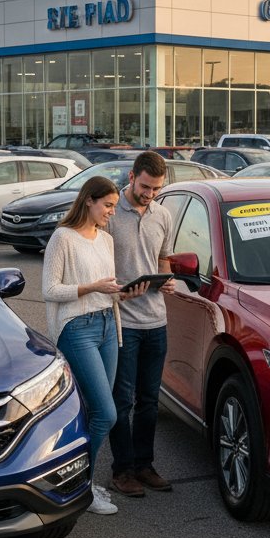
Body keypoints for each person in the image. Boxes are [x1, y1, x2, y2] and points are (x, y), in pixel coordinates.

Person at [42, 175, 139, 516]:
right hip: (77, 328)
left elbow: (106, 287)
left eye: (114, 206)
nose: (112, 212)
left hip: (108, 325)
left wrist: (122, 292)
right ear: (89, 201)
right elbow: (50, 290)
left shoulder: (106, 241)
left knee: (97, 412)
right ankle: (80, 484)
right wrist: (92, 287)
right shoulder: (62, 238)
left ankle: (81, 481)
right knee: (106, 412)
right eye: (108, 206)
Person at [106, 151, 177, 497]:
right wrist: (117, 291)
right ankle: (122, 471)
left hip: (156, 319)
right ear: (132, 177)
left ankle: (144, 465)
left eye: (157, 189)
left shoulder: (163, 214)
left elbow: (163, 257)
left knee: (149, 400)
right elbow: (95, 264)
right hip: (123, 321)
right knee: (121, 399)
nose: (150, 194)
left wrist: (167, 278)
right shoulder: (109, 213)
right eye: (146, 187)